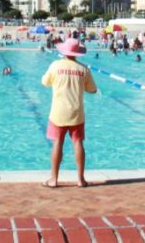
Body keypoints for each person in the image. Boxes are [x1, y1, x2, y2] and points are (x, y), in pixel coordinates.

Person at [41, 38, 97, 188]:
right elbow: (92, 89)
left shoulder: (55, 66)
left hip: (58, 112)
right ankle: (80, 179)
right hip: (76, 112)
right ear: (77, 53)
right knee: (78, 143)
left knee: (57, 143)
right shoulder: (83, 69)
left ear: (64, 51)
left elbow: (45, 82)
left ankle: (53, 180)